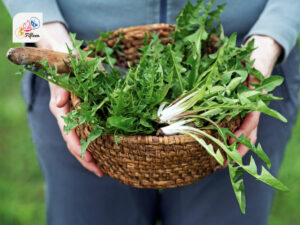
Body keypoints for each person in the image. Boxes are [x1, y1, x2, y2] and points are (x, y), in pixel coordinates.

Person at [3, 0, 300, 224]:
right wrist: (41, 31)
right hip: (75, 73)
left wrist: (275, 34)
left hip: (244, 72)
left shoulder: (254, 61)